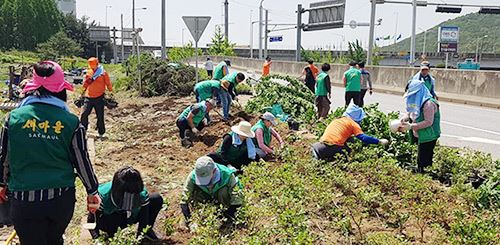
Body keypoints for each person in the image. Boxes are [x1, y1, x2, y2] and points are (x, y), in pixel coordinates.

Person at [0, 61, 101, 245]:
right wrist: (92, 190)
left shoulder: (13, 119)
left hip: (24, 201)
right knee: (54, 240)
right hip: (60, 200)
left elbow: (3, 157)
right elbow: (82, 160)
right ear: (61, 90)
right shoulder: (71, 122)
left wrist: (1, 184)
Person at [87, 166, 163, 241]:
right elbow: (91, 221)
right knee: (113, 222)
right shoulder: (99, 197)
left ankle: (147, 234)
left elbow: (144, 218)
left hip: (130, 217)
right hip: (111, 220)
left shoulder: (141, 194)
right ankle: (111, 235)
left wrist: (141, 236)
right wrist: (97, 239)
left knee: (156, 199)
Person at [180, 157, 243, 229]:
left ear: (214, 171)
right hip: (205, 201)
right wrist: (190, 221)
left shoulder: (227, 175)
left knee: (224, 191)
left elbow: (237, 200)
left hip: (224, 204)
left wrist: (223, 218)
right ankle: (203, 214)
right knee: (195, 191)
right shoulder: (193, 176)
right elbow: (184, 200)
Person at [311, 104, 389, 161]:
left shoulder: (337, 120)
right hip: (331, 147)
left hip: (318, 145)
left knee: (350, 140)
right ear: (357, 118)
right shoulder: (353, 124)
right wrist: (378, 141)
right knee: (349, 152)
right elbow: (363, 138)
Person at [401, 79, 441, 173]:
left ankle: (425, 178)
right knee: (418, 157)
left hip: (429, 135)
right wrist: (405, 117)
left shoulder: (428, 104)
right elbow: (411, 110)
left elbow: (428, 122)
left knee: (424, 161)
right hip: (420, 133)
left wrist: (411, 126)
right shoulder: (417, 100)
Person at [80, 57, 113, 138]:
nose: (92, 67)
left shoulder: (103, 73)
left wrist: (111, 92)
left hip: (99, 97)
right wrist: (81, 92)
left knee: (100, 115)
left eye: (93, 65)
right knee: (84, 114)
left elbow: (108, 83)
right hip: (89, 97)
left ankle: (101, 132)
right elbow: (86, 83)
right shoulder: (89, 72)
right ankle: (83, 130)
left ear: (97, 64)